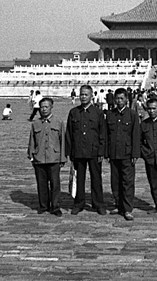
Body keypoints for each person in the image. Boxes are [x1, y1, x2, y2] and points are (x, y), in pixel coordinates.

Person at [65, 85, 107, 215]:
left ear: (91, 96)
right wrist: (69, 152)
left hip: (94, 151)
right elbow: (69, 134)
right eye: (81, 94)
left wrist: (101, 151)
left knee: (96, 178)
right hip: (78, 151)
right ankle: (79, 203)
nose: (83, 97)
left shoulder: (98, 112)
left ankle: (98, 204)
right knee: (79, 178)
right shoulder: (74, 112)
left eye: (86, 95)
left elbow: (102, 133)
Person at [27, 97, 66, 216]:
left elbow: (62, 141)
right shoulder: (36, 123)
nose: (44, 109)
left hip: (54, 157)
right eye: (42, 107)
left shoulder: (58, 122)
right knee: (41, 183)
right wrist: (31, 155)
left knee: (55, 184)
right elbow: (32, 141)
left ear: (51, 107)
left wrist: (63, 158)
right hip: (39, 157)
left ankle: (55, 207)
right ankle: (43, 205)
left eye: (46, 107)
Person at [106, 88, 140, 221]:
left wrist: (135, 153)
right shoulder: (110, 114)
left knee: (127, 181)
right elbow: (107, 135)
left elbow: (136, 134)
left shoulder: (132, 114)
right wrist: (106, 153)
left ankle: (127, 208)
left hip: (127, 153)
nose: (119, 101)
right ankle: (118, 204)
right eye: (117, 98)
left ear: (126, 99)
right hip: (114, 153)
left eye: (122, 98)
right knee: (115, 181)